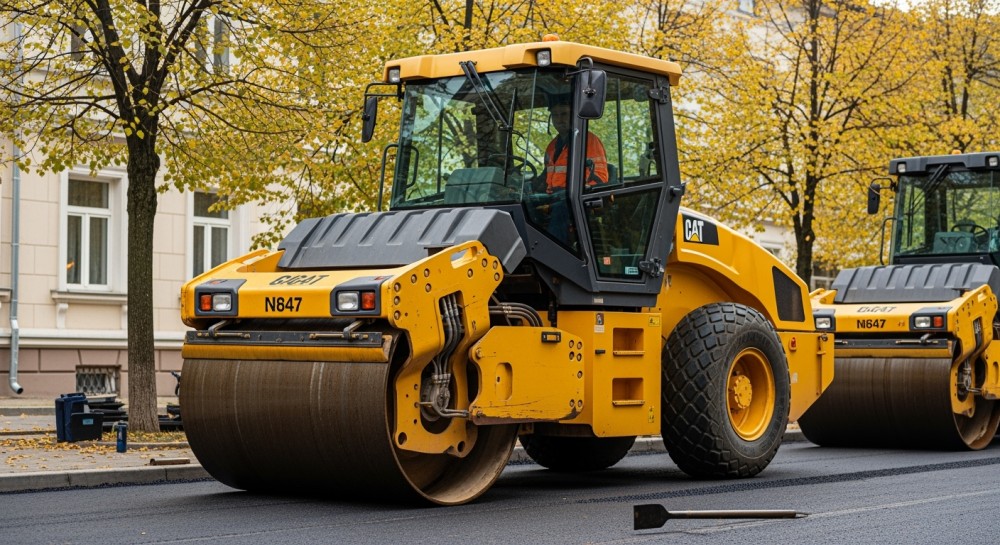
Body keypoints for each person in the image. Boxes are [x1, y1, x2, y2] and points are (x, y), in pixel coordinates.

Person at [538, 97, 609, 246]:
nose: (559, 119)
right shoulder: (552, 146)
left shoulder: (588, 141)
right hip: (554, 196)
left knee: (561, 210)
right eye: (555, 115)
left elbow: (599, 176)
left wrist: (580, 190)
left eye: (564, 114)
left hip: (577, 196)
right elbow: (546, 175)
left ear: (573, 116)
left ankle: (553, 250)